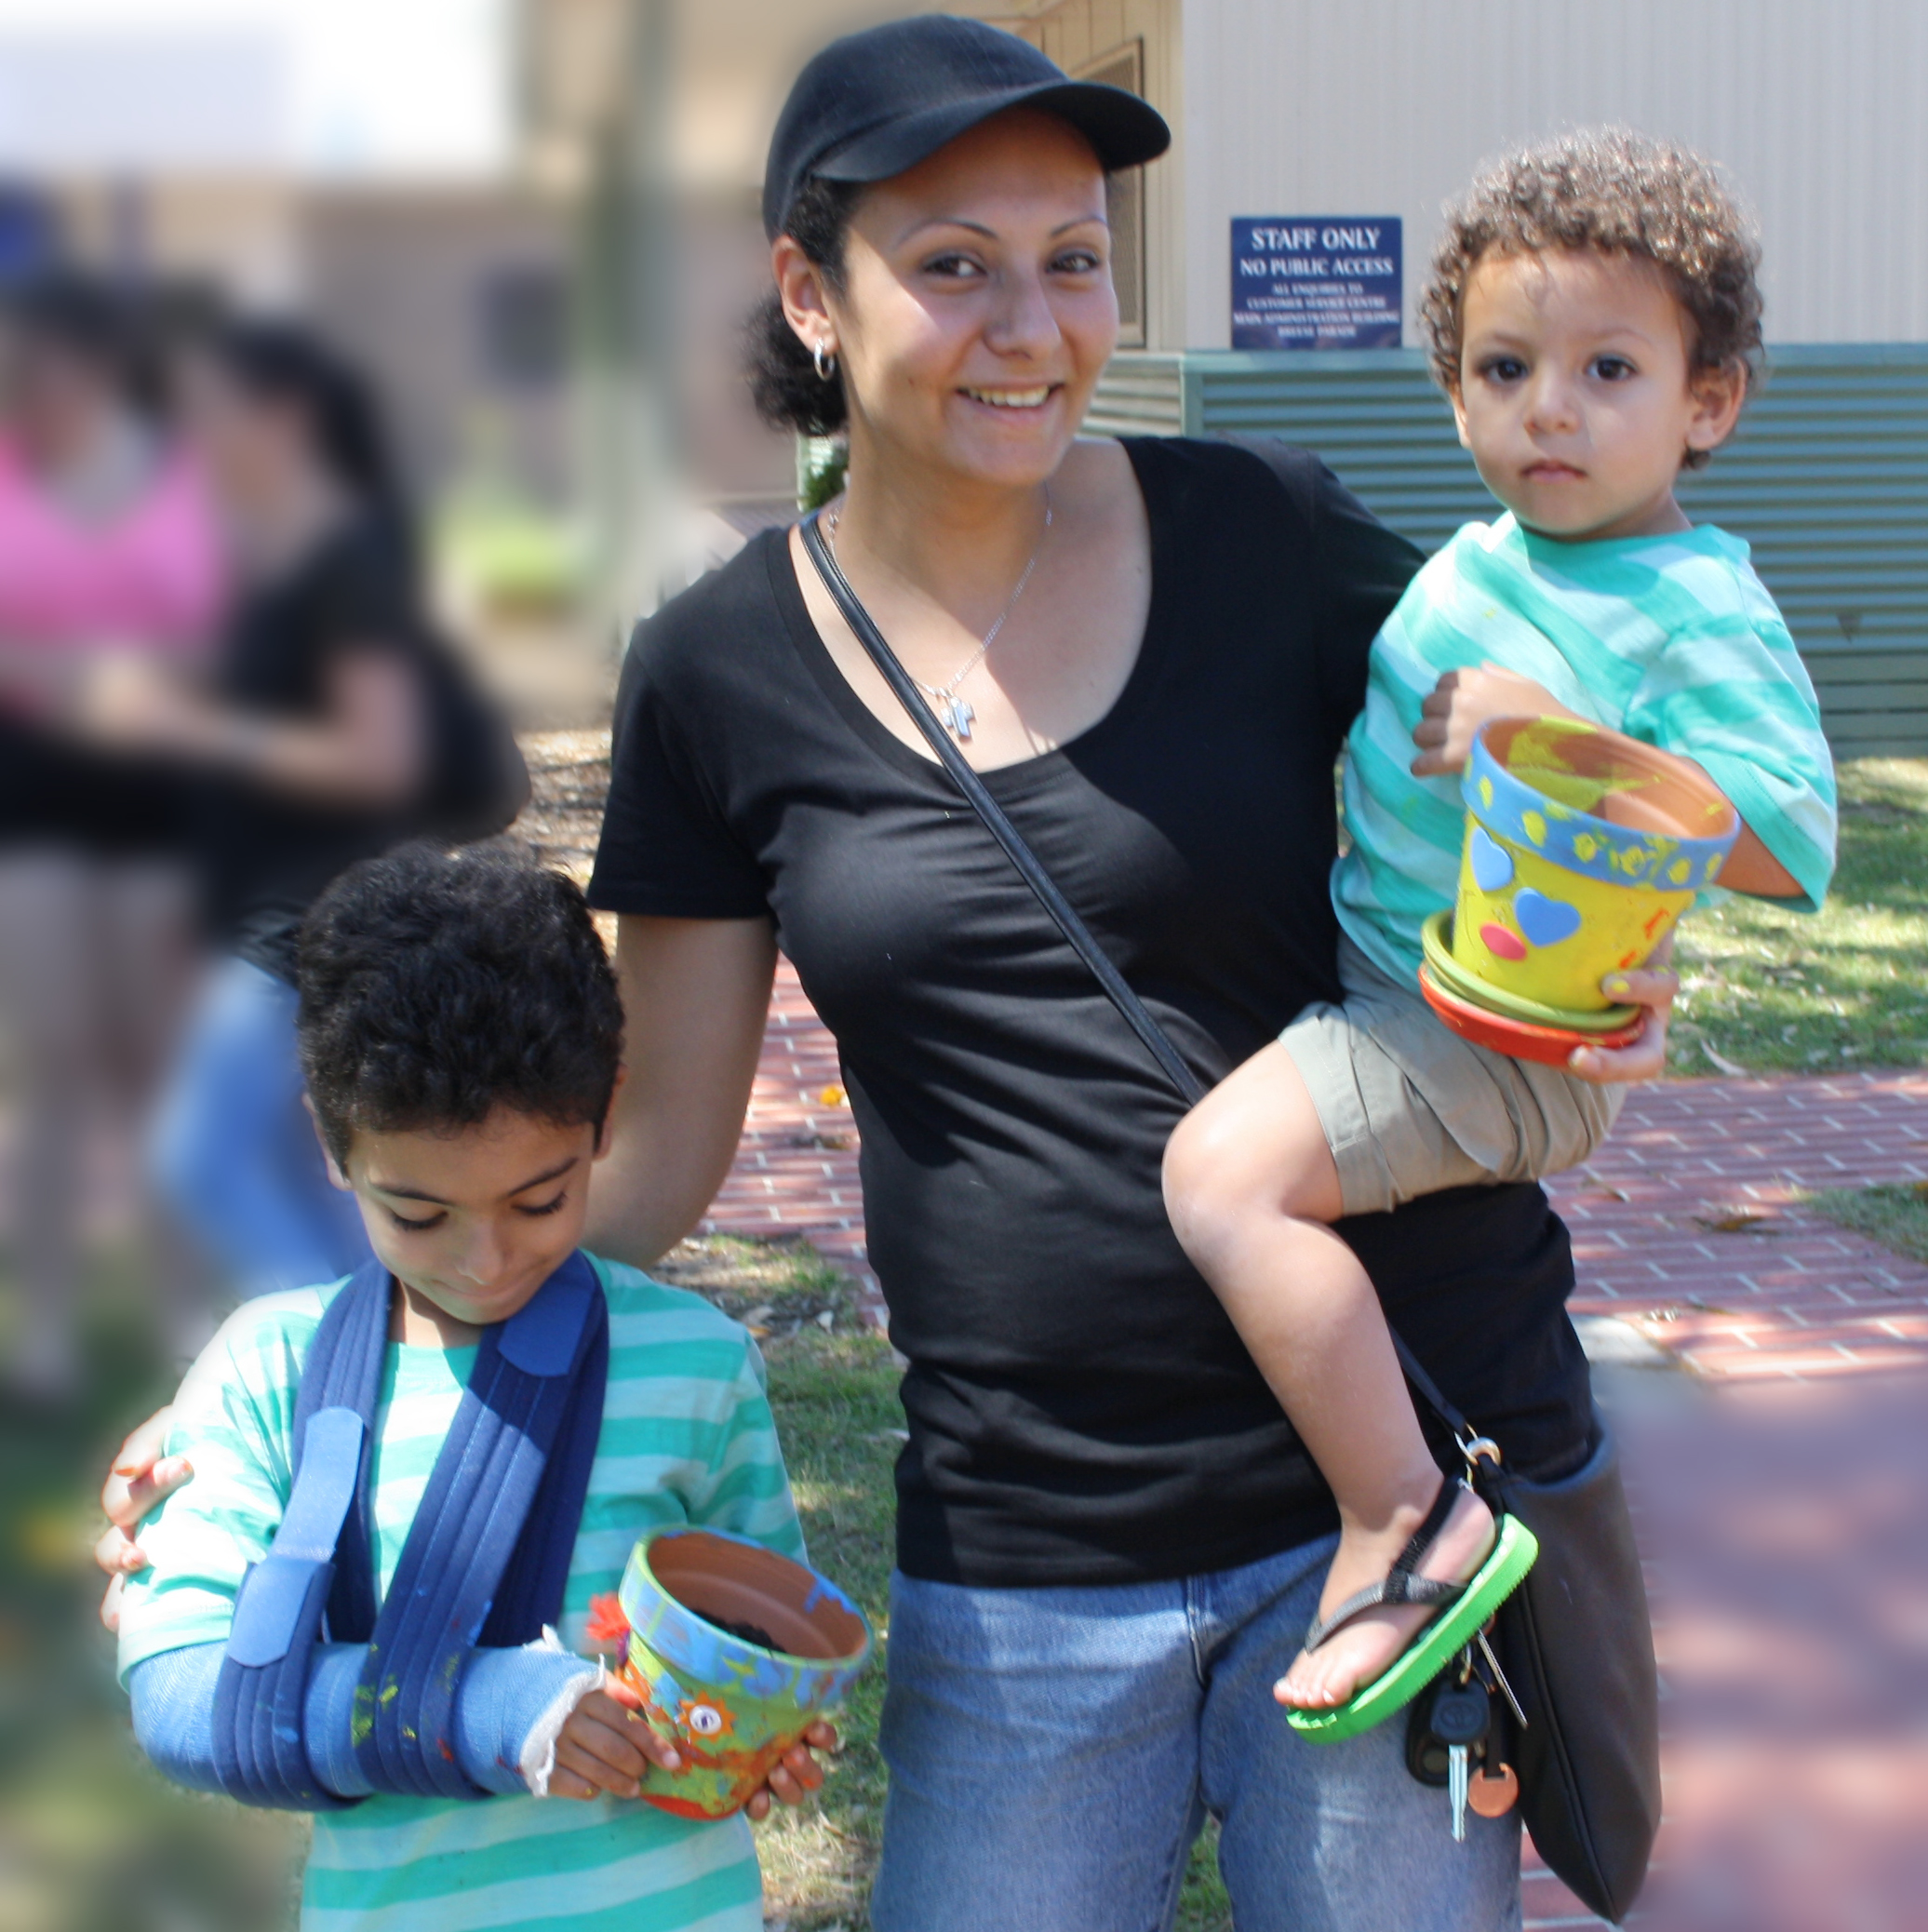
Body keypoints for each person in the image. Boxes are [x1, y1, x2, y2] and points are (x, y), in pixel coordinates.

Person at [100, 20, 1682, 1928]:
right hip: (1026, 1551)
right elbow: (650, 1158)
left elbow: (1571, 714)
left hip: (1383, 1514)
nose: (1031, 324)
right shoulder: (716, 670)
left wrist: (1600, 950)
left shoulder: (1269, 533)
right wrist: (303, 1389)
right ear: (809, 292)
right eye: (953, 264)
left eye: (1073, 259)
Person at [1161, 128, 1839, 1721]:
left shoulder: (1693, 601)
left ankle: (1404, 1521)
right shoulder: (1486, 556)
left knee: (1220, 1182)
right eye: (1505, 366)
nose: (1549, 406)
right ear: (1454, 391)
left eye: (1609, 368)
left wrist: (1557, 739)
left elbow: (1788, 835)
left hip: (1495, 1031)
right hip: (1408, 990)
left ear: (1709, 402)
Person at [114, 843, 833, 1932]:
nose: (486, 1261)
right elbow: (180, 1696)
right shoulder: (267, 1370)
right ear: (327, 1141)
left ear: (604, 1116)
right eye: (417, 1215)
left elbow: (771, 1629)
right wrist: (477, 1710)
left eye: (540, 1202)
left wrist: (770, 1731)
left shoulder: (698, 1365)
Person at [77, 322, 444, 1300]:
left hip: (307, 925)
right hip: (247, 914)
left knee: (194, 1160)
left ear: (284, 419)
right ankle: (390, 1357)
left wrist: (189, 724)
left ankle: (325, 1358)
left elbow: (381, 755)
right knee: (296, 1173)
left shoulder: (348, 560)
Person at [0, 273, 224, 1393]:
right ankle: (45, 1322)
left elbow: (210, 635)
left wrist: (133, 674)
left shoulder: (173, 478)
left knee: (156, 1070)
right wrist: (69, 672)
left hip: (157, 819)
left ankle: (181, 1305)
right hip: (34, 814)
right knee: (57, 1068)